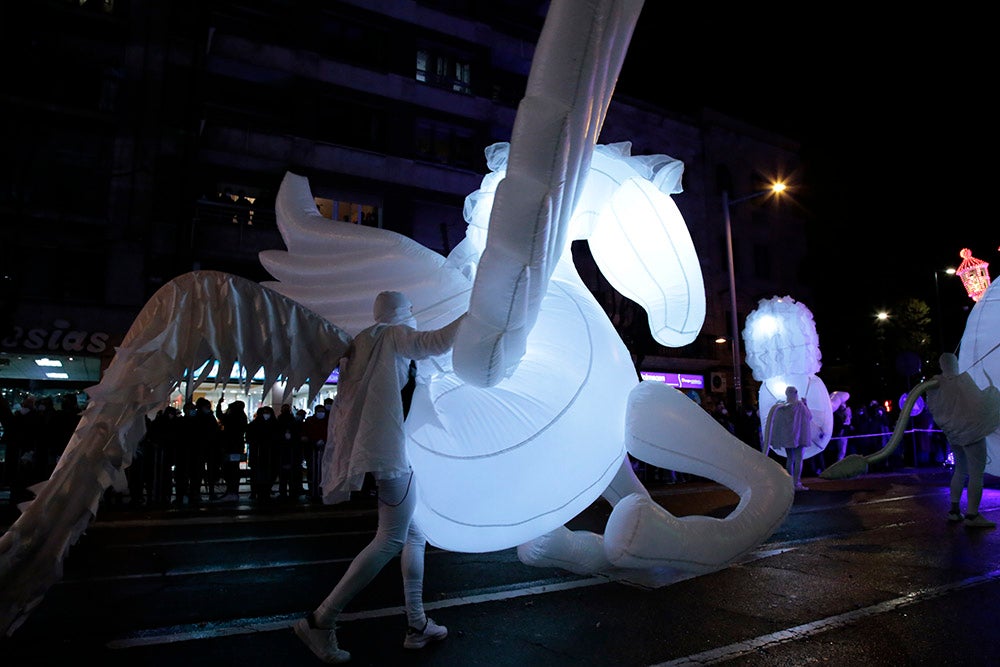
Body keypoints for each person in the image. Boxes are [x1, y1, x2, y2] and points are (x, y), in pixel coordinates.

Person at [294, 291, 464, 664]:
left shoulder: (365, 342)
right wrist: (476, 315)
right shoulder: (392, 335)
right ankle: (322, 619)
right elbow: (432, 343)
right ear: (402, 315)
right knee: (390, 539)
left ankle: (417, 624)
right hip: (392, 457)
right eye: (411, 312)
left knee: (413, 534)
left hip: (383, 453)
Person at [926, 353, 1000, 529]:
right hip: (971, 433)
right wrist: (992, 394)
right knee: (976, 474)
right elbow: (978, 403)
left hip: (954, 434)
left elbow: (935, 408)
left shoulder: (936, 385)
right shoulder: (962, 381)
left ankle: (954, 510)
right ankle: (972, 515)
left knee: (960, 470)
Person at [763, 386, 812, 491]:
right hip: (800, 437)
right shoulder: (800, 405)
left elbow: (777, 423)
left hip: (788, 438)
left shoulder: (782, 407)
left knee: (790, 459)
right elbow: (809, 417)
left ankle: (790, 482)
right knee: (799, 459)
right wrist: (806, 404)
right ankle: (797, 482)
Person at [216, 398, 248, 501]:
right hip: (237, 447)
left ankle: (231, 491)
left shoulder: (232, 417)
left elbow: (220, 416)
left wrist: (219, 405)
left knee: (229, 470)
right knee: (235, 469)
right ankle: (234, 492)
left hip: (230, 447)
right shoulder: (242, 417)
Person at [246, 405, 280, 502]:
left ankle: (265, 491)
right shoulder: (255, 425)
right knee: (257, 474)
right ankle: (257, 491)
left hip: (269, 454)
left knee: (268, 473)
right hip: (259, 453)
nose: (266, 415)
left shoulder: (274, 424)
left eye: (267, 413)